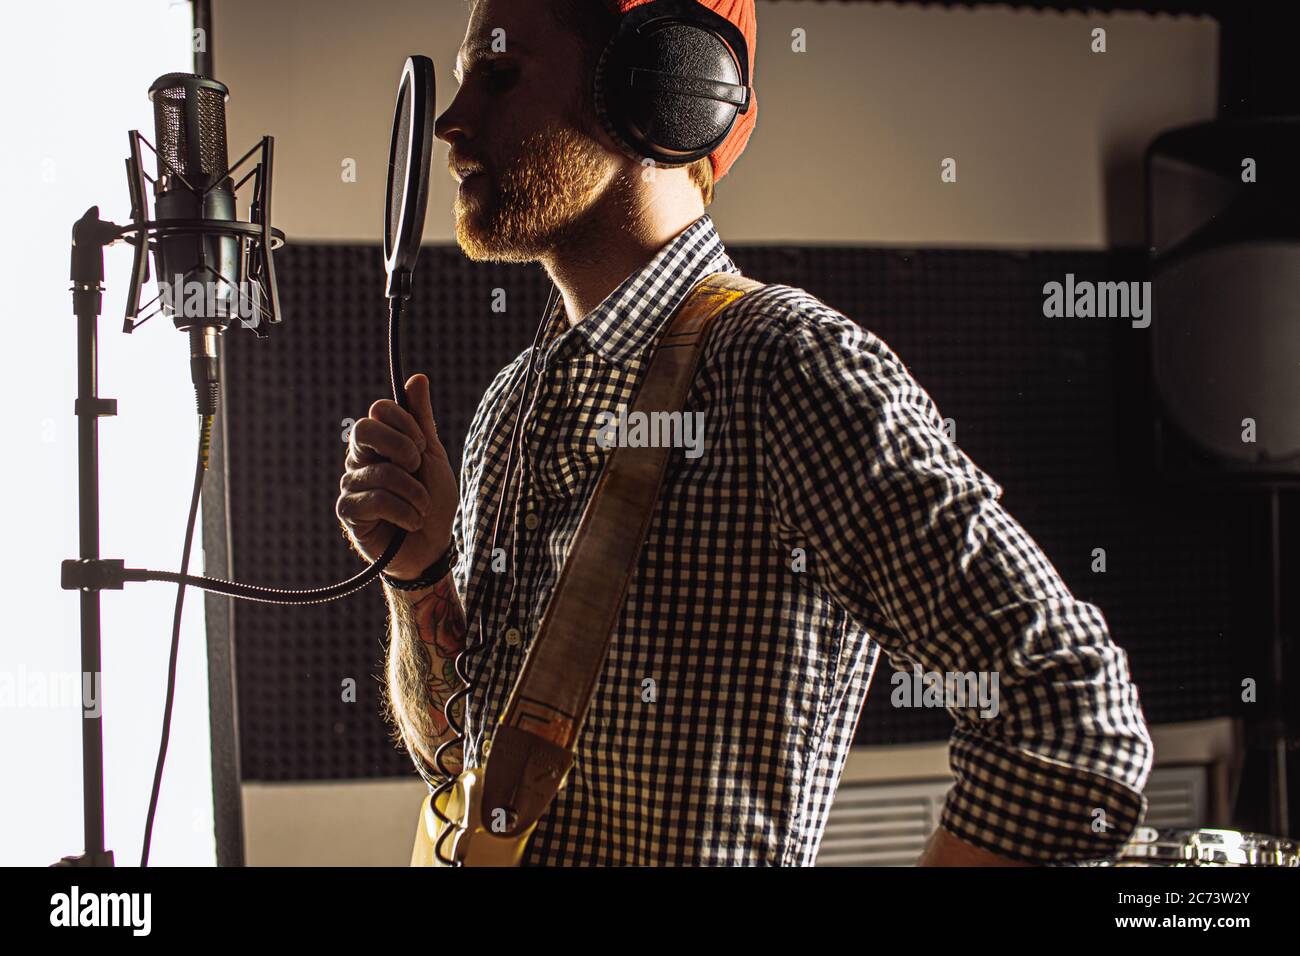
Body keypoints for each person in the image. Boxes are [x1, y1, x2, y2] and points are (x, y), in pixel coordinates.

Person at [336, 0, 1153, 866]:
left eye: (498, 77)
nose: (453, 123)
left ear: (661, 94)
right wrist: (419, 576)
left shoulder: (782, 367)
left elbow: (1072, 717)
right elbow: (458, 755)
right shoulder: (511, 408)